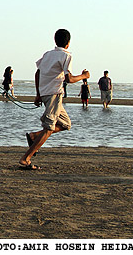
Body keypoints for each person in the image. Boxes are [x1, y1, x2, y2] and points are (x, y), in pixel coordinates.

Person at [19, 29, 90, 170]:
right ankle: (25, 159)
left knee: (66, 124)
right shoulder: (66, 55)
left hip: (46, 93)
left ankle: (34, 137)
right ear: (68, 43)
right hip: (54, 94)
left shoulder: (47, 54)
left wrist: (38, 94)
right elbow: (69, 79)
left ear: (55, 40)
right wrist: (84, 76)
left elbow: (37, 73)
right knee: (49, 128)